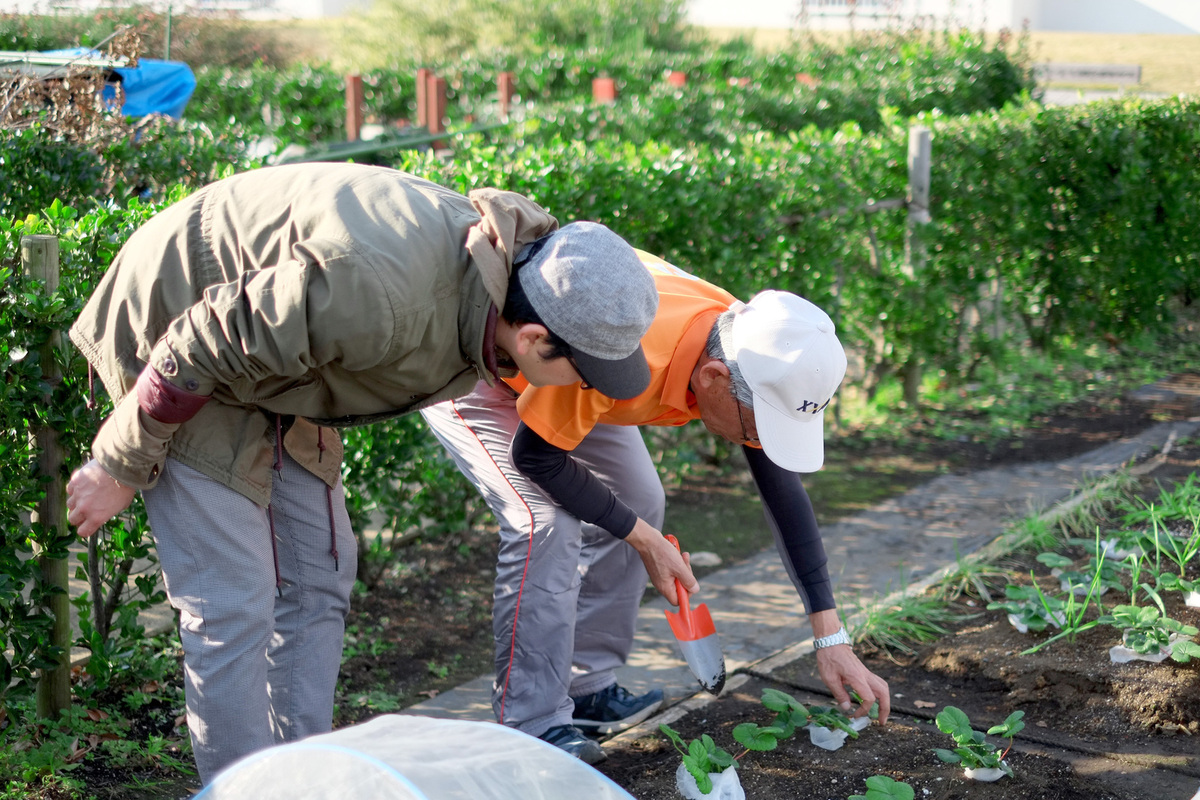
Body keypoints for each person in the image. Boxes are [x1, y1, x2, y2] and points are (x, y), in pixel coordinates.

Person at [63, 163, 676, 784]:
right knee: (233, 606)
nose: (589, 388)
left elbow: (277, 331)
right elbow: (200, 337)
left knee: (320, 575)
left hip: (278, 360)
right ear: (537, 339)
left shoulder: (522, 274)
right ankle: (244, 791)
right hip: (176, 329)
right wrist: (119, 462)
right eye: (586, 370)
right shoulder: (382, 300)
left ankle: (297, 782)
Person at [421, 252, 891, 764]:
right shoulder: (642, 349)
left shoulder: (750, 344)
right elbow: (536, 457)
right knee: (546, 524)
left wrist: (830, 634)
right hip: (491, 367)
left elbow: (782, 490)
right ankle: (533, 724)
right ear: (711, 379)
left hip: (581, 379)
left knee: (639, 500)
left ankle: (587, 688)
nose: (760, 442)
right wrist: (642, 539)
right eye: (760, 428)